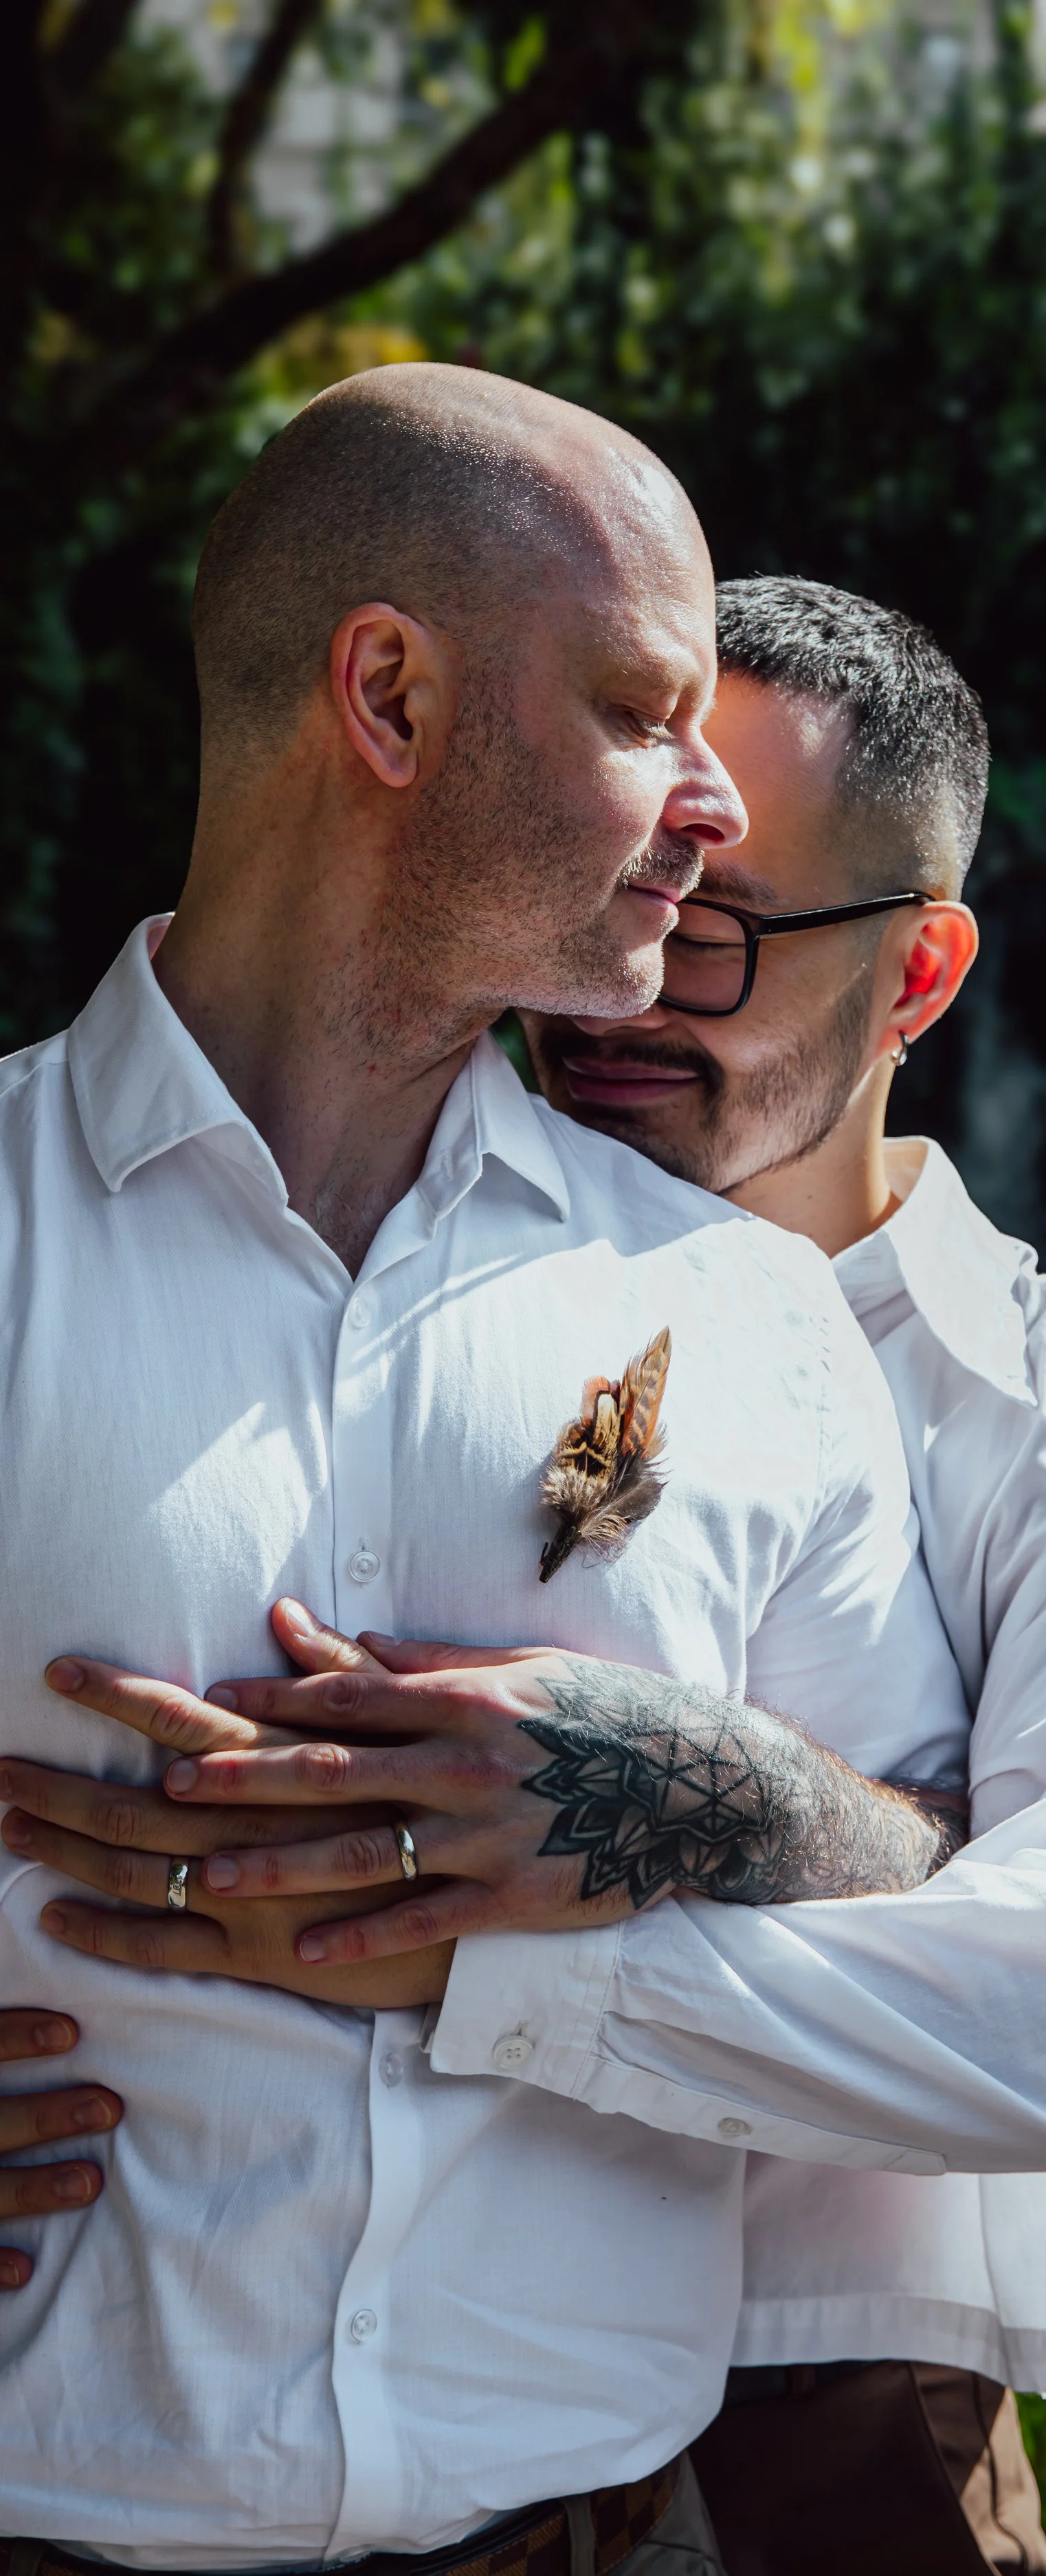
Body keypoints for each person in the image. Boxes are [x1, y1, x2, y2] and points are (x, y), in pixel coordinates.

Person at [5, 578, 1046, 2573]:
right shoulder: (277, 1235)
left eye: (714, 938)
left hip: (846, 2381)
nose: (618, 993)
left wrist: (503, 1943)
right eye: (613, 893)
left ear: (922, 976)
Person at [0, 365, 979, 2575]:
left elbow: (950, 1900)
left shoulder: (744, 1316)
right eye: (647, 705)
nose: (714, 803)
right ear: (389, 694)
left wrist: (731, 1793)